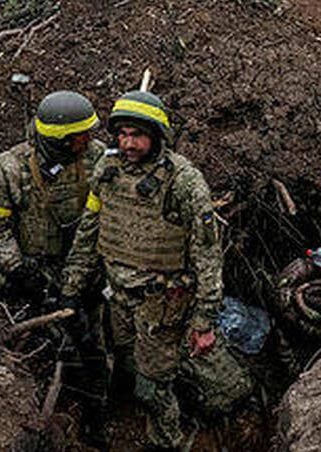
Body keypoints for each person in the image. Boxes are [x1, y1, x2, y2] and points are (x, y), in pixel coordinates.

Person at [60, 90, 225, 451]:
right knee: (129, 367)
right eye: (122, 134)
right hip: (117, 296)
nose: (128, 143)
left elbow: (208, 255)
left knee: (153, 385)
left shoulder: (184, 181)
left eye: (138, 135)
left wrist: (204, 321)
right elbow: (90, 229)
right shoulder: (107, 170)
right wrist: (72, 284)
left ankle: (169, 441)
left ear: (156, 136)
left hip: (161, 303)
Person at [0, 90, 104, 306]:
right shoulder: (10, 168)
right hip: (38, 270)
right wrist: (17, 268)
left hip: (87, 263)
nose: (88, 139)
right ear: (60, 140)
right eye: (82, 135)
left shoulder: (96, 155)